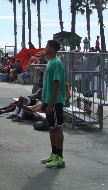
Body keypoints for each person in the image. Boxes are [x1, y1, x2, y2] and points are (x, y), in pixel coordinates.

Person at [40, 39, 66, 168]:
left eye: (48, 46)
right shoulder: (50, 61)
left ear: (53, 49)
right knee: (51, 127)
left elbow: (56, 84)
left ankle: (60, 157)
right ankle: (54, 154)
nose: (45, 48)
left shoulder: (56, 63)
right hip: (48, 100)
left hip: (55, 101)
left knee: (57, 127)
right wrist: (44, 102)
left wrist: (51, 104)